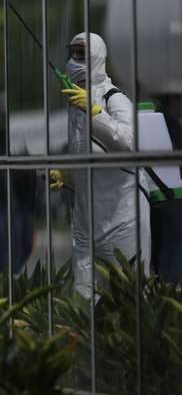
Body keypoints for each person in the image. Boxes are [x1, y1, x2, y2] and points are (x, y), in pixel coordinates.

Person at [52, 32, 151, 298]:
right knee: (84, 294)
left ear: (97, 55)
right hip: (86, 219)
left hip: (122, 217)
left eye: (81, 53)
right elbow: (84, 152)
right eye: (72, 52)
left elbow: (132, 144)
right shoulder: (75, 100)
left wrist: (97, 114)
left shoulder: (114, 98)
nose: (75, 59)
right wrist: (66, 173)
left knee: (128, 296)